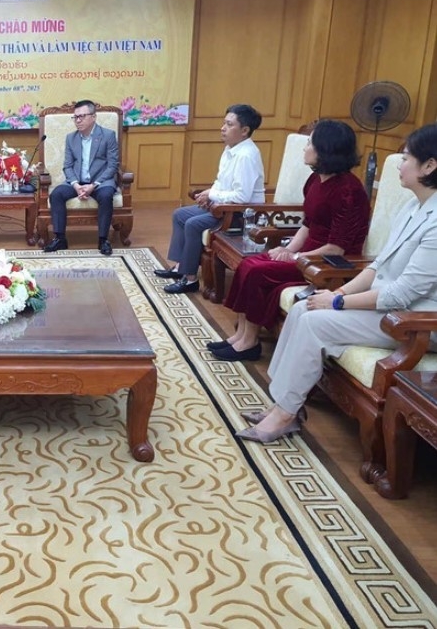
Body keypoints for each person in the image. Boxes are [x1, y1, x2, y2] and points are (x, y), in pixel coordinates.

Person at [238, 123, 437, 443]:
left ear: (430, 166)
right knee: (304, 307)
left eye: (407, 157)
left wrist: (338, 302)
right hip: (384, 305)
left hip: (415, 320)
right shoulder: (414, 206)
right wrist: (339, 291)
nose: (399, 163)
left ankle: (285, 415)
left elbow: (404, 293)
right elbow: (379, 266)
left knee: (315, 323)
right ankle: (283, 404)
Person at [210, 120, 370, 362]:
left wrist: (295, 257)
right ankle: (240, 336)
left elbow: (337, 248)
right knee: (247, 264)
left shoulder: (349, 191)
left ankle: (249, 342)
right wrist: (288, 249)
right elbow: (308, 224)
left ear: (325, 149)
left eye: (309, 143)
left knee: (256, 272)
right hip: (305, 253)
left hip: (326, 262)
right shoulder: (315, 180)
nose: (305, 148)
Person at [156, 104, 265, 293]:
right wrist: (208, 194)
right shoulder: (231, 148)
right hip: (222, 207)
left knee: (193, 223)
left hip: (239, 215)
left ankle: (190, 279)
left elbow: (242, 196)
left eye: (229, 125)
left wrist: (212, 195)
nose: (223, 128)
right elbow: (221, 182)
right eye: (224, 123)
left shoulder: (246, 156)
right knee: (180, 214)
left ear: (245, 131)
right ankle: (181, 266)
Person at [42, 100, 120, 256]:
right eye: (75, 117)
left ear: (93, 117)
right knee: (56, 194)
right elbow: (67, 166)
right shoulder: (71, 138)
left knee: (106, 196)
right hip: (77, 181)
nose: (78, 120)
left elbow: (112, 165)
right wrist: (76, 185)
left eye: (82, 116)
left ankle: (103, 239)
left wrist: (94, 185)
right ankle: (60, 238)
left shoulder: (108, 135)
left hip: (101, 182)